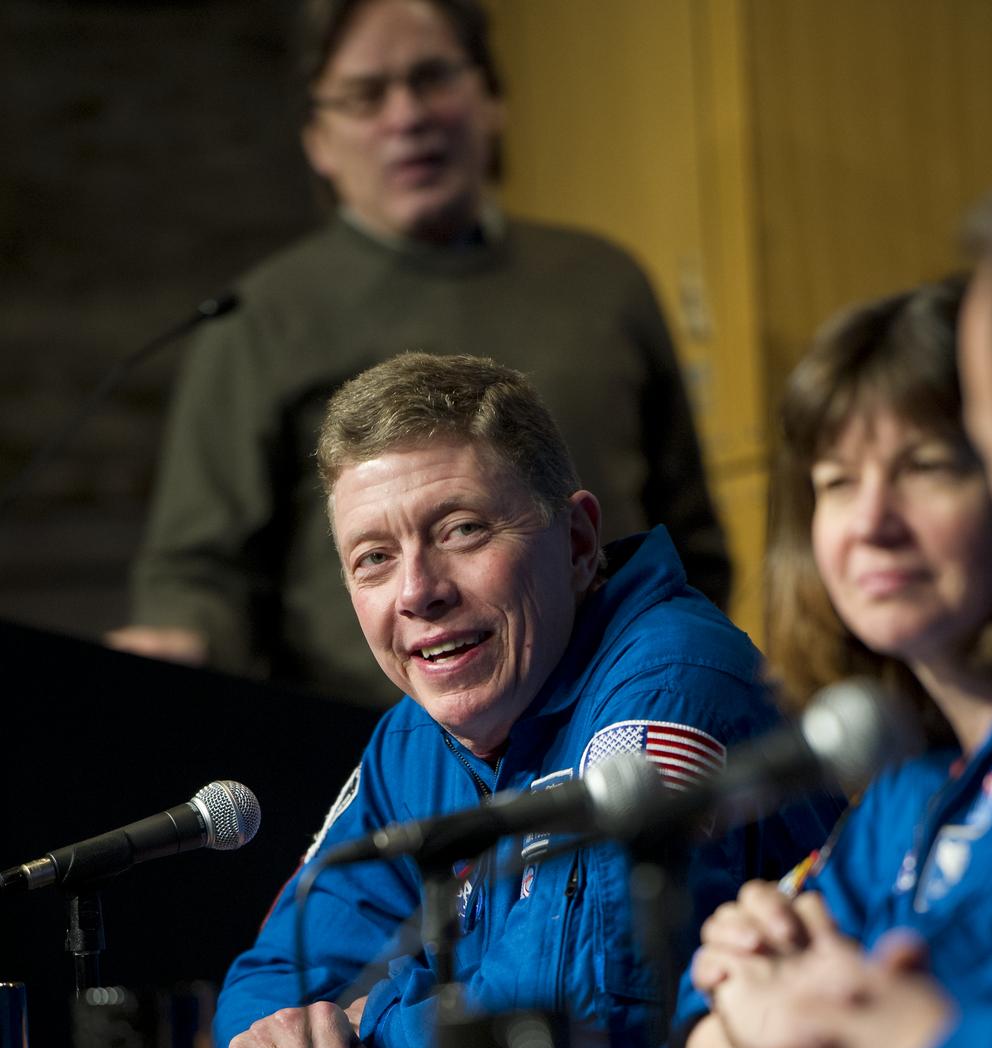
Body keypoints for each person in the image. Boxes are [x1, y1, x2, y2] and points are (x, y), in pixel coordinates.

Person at [213, 352, 836, 1048]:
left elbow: (573, 1016)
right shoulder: (413, 738)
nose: (417, 592)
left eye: (462, 531)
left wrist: (364, 1024)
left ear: (576, 544)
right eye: (373, 559)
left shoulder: (670, 683)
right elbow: (277, 979)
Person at [107, 0, 730, 706]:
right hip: (366, 746)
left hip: (619, 724)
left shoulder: (603, 283)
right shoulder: (256, 321)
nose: (407, 117)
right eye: (366, 95)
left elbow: (690, 541)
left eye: (432, 78)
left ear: (491, 99)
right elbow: (200, 574)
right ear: (317, 138)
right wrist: (179, 642)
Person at [725, 157, 992, 1048]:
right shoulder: (898, 788)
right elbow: (715, 1029)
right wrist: (741, 1015)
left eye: (927, 465)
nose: (870, 523)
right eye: (834, 482)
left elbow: (960, 993)